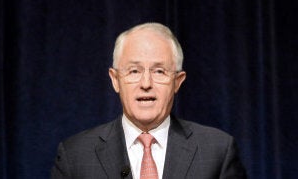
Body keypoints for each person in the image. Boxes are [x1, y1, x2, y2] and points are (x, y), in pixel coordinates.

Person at [51, 22, 246, 178]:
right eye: (134, 71)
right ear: (115, 80)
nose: (146, 83)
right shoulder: (75, 156)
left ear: (177, 81)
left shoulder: (218, 151)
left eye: (159, 71)